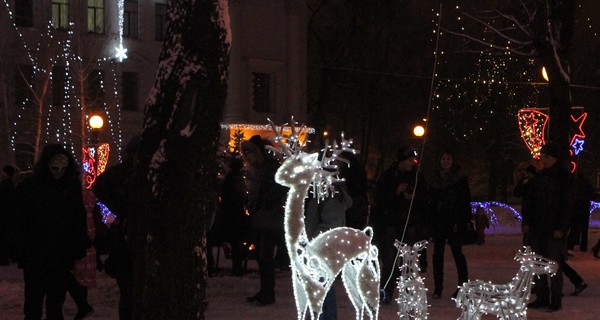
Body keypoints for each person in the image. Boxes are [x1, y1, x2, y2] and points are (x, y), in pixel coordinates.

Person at [13, 144, 89, 320]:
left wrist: (78, 245)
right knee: (34, 302)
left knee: (54, 302)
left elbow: (78, 218)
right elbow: (20, 219)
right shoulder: (31, 187)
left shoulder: (69, 188)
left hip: (58, 253)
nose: (58, 172)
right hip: (37, 253)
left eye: (62, 168)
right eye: (55, 168)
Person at [93, 136, 139, 320]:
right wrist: (115, 219)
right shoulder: (118, 175)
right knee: (129, 293)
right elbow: (97, 196)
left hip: (136, 241)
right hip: (123, 243)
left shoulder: (147, 175)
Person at [374, 146, 428, 303]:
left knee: (409, 262)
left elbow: (425, 199)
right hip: (391, 223)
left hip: (410, 224)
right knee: (390, 260)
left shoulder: (418, 177)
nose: (412, 163)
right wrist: (396, 192)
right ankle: (386, 292)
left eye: (413, 160)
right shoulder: (389, 176)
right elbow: (380, 199)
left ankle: (408, 294)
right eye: (409, 160)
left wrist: (414, 197)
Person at [522, 142, 572, 312]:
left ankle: (555, 299)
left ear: (554, 157)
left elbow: (566, 205)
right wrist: (527, 222)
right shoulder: (540, 177)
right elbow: (529, 201)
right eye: (542, 156)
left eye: (546, 156)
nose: (543, 159)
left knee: (552, 265)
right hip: (538, 227)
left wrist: (561, 228)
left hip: (553, 229)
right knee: (539, 263)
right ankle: (542, 296)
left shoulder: (564, 177)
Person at [242, 135, 288, 306]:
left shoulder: (270, 168)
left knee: (265, 255)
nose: (247, 157)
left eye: (249, 153)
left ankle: (268, 293)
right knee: (262, 257)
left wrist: (264, 203)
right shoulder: (257, 169)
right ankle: (265, 291)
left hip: (269, 218)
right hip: (260, 217)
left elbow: (278, 189)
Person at [305, 175, 353, 319]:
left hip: (323, 249)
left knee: (321, 288)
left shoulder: (330, 195)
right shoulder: (322, 193)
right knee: (321, 288)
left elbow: (330, 226)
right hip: (321, 248)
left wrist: (314, 243)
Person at [426, 150, 471, 300]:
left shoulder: (459, 179)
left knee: (457, 253)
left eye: (448, 159)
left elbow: (465, 202)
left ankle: (462, 286)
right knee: (437, 254)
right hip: (439, 221)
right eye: (443, 159)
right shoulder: (434, 179)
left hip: (454, 221)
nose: (445, 162)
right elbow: (429, 200)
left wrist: (462, 221)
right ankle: (438, 288)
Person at [218, 156, 249, 276]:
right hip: (236, 213)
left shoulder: (231, 177)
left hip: (231, 213)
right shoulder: (237, 177)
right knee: (237, 243)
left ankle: (237, 267)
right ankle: (237, 267)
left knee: (236, 243)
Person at [567, 174, 594, 252]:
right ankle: (583, 246)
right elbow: (591, 195)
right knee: (584, 229)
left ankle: (570, 245)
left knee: (573, 227)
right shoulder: (587, 185)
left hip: (575, 208)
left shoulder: (574, 185)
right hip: (584, 208)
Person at [0, 165, 16, 266]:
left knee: (3, 237)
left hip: (4, 215)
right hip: (8, 216)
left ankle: (3, 258)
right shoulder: (10, 185)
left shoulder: (5, 186)